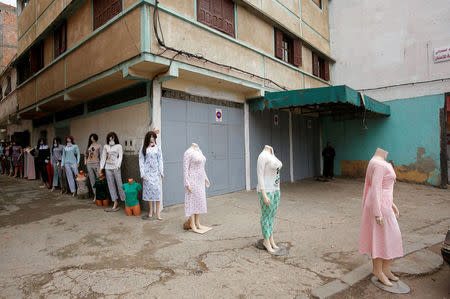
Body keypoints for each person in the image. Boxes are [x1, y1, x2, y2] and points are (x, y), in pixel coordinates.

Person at [139, 131, 164, 220]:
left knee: (157, 192)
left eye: (153, 137)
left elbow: (160, 160)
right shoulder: (143, 148)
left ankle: (157, 213)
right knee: (149, 192)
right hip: (147, 173)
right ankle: (150, 211)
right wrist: (142, 173)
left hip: (156, 173)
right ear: (147, 138)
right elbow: (141, 161)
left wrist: (161, 172)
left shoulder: (158, 148)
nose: (152, 138)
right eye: (150, 137)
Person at [85, 134, 102, 198]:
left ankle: (100, 194)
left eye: (92, 137)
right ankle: (95, 195)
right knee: (92, 180)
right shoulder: (89, 145)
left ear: (95, 138)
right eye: (90, 137)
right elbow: (86, 154)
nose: (91, 138)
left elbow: (101, 155)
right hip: (89, 163)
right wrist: (85, 161)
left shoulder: (99, 146)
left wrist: (101, 166)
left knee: (98, 179)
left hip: (96, 163)